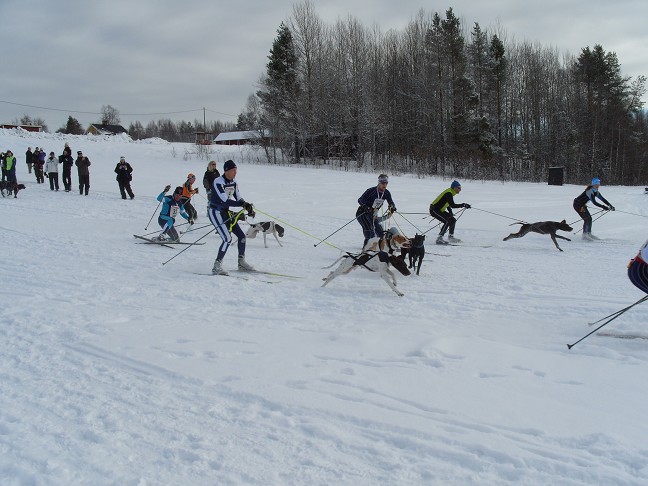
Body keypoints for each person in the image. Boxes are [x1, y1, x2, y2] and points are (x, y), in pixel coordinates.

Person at [208, 159, 255, 275]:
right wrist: (242, 204)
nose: (235, 172)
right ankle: (217, 266)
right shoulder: (218, 182)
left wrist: (247, 206)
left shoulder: (234, 182)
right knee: (227, 239)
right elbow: (225, 201)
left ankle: (241, 262)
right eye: (233, 170)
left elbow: (239, 198)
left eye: (236, 170)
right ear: (226, 170)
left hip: (225, 212)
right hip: (215, 212)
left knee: (241, 236)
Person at [356, 174, 397, 249]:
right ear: (379, 183)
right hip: (362, 213)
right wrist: (365, 207)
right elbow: (360, 200)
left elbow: (391, 202)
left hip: (372, 215)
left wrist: (392, 207)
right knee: (369, 233)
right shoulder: (371, 191)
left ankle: (380, 250)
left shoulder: (386, 193)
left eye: (386, 183)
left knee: (380, 233)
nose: (384, 185)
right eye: (383, 183)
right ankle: (365, 251)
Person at [429, 180, 471, 245]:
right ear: (454, 188)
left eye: (460, 188)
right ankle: (439, 239)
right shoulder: (449, 193)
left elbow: (448, 204)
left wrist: (450, 212)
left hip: (440, 210)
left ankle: (451, 237)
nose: (460, 190)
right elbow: (452, 205)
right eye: (459, 188)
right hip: (434, 210)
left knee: (453, 220)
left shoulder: (450, 192)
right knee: (447, 221)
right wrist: (463, 205)